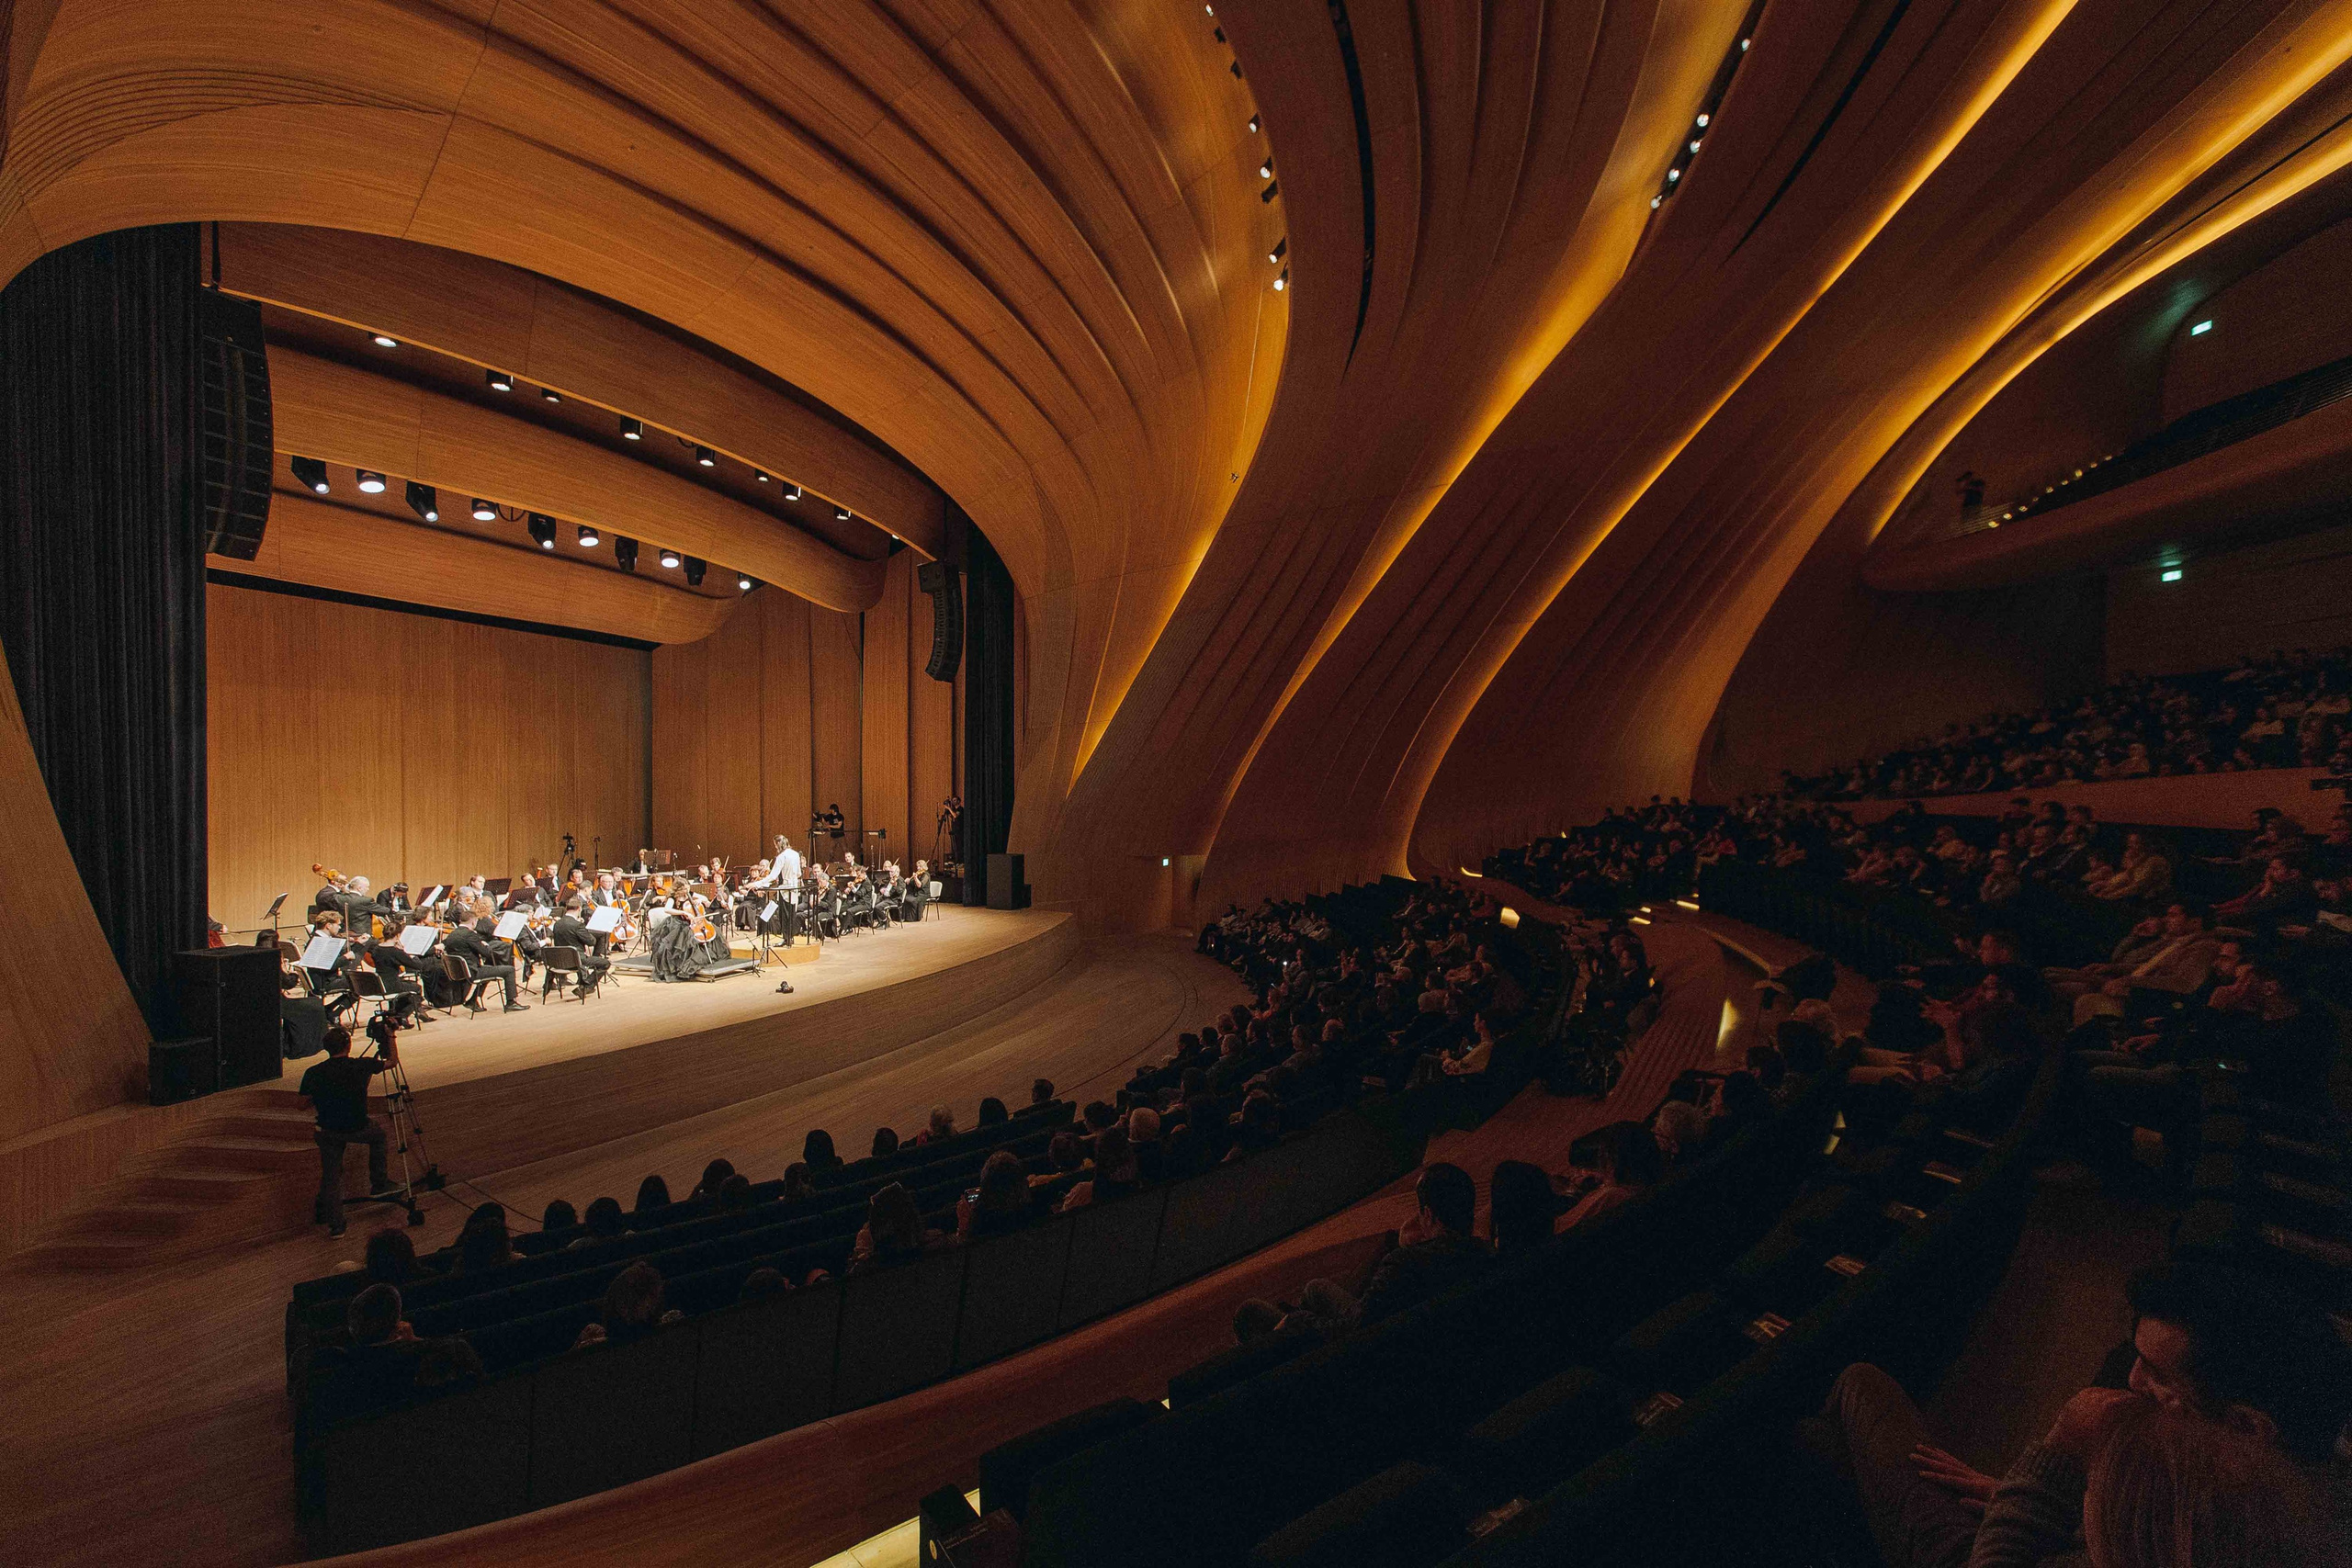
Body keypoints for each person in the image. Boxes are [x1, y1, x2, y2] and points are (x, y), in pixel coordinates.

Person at [1332, 1162, 1490, 1326]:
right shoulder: (1486, 1254)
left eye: (1420, 1211)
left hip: (1366, 1336)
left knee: (1315, 1289)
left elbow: (1357, 1322)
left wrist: (1307, 1321)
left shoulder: (1404, 1263)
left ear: (1428, 1215)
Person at [297, 1025, 398, 1236]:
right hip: (357, 1126)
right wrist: (390, 1036)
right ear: (348, 1045)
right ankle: (379, 1183)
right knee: (379, 1137)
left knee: (332, 1176)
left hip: (328, 1129)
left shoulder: (314, 1072)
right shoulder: (361, 1066)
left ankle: (336, 1225)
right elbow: (392, 1062)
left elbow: (301, 1104)